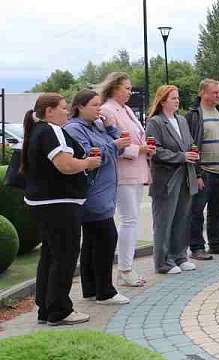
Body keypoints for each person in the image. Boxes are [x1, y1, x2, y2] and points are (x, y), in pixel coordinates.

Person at [21, 94, 100, 326]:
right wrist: (88, 163)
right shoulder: (51, 130)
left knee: (51, 255)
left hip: (46, 203)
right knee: (64, 255)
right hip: (59, 203)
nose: (67, 112)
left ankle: (46, 308)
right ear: (49, 111)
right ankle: (59, 310)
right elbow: (65, 165)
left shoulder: (38, 131)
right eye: (64, 108)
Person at [63, 90, 129, 305]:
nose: (99, 109)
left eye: (100, 104)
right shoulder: (74, 129)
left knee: (92, 240)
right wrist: (113, 145)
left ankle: (91, 288)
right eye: (94, 105)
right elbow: (88, 153)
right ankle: (105, 291)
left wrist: (110, 126)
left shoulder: (97, 126)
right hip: (93, 192)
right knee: (106, 237)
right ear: (80, 107)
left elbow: (119, 144)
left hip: (105, 189)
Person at [98, 72, 153, 287]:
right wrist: (138, 149)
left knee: (133, 219)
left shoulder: (127, 109)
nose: (130, 92)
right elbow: (112, 144)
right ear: (114, 88)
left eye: (131, 89)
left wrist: (144, 148)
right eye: (126, 88)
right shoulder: (107, 110)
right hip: (122, 172)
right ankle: (124, 269)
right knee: (129, 220)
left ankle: (127, 267)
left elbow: (136, 137)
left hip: (137, 170)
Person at [145, 85, 200, 275]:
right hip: (166, 179)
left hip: (186, 176)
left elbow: (189, 143)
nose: (177, 101)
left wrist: (193, 151)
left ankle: (180, 256)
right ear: (162, 101)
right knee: (164, 221)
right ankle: (163, 261)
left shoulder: (182, 120)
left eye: (177, 98)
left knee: (182, 218)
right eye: (173, 98)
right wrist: (181, 156)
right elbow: (155, 150)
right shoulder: (155, 122)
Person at [185, 79, 219, 260]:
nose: (218, 95)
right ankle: (197, 247)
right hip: (204, 172)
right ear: (202, 93)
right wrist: (197, 173)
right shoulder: (193, 115)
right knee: (196, 211)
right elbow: (189, 145)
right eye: (215, 92)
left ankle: (216, 243)